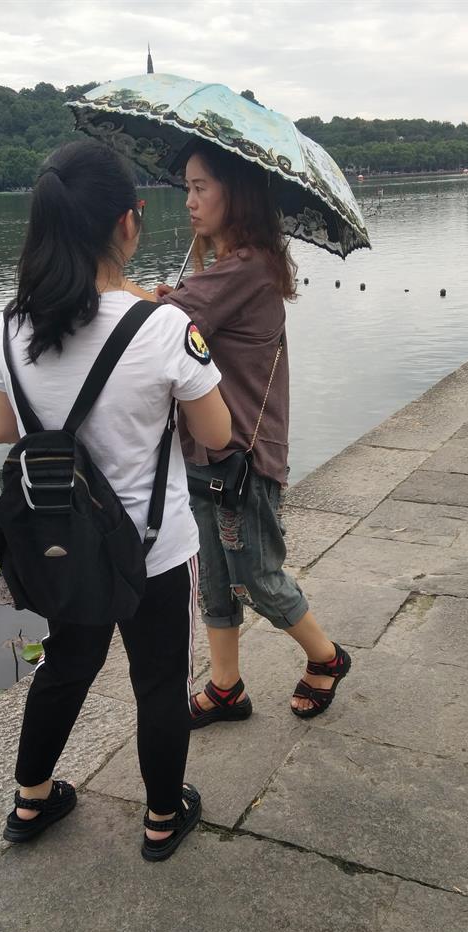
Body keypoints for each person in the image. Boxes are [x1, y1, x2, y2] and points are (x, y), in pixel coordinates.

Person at [0, 141, 231, 861]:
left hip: (64, 542)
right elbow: (216, 434)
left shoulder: (7, 326)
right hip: (154, 549)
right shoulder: (163, 327)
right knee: (159, 681)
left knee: (65, 664)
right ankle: (161, 818)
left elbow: (2, 429)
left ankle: (31, 800)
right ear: (128, 221)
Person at [154, 139, 352, 727]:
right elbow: (180, 317)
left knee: (258, 577)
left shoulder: (249, 268)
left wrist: (121, 288)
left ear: (235, 195)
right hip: (204, 450)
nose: (189, 201)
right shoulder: (223, 269)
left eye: (200, 188)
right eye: (186, 188)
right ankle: (226, 687)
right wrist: (171, 296)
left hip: (244, 457)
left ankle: (327, 657)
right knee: (214, 579)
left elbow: (166, 324)